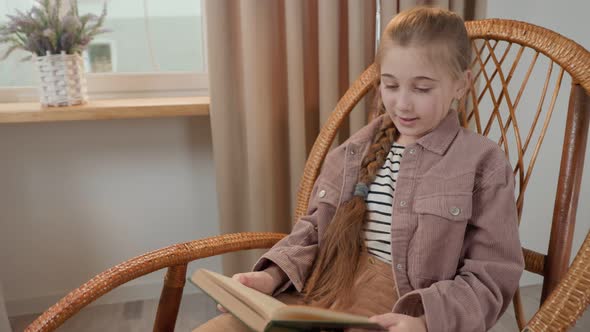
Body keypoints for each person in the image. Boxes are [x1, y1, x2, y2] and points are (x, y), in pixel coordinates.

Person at [194, 6, 524, 332]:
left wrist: (425, 323)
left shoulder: (483, 164)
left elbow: (490, 275)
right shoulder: (354, 151)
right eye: (390, 85)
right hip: (317, 293)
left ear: (461, 84)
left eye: (422, 88)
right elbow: (315, 231)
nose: (402, 104)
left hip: (395, 312)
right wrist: (270, 277)